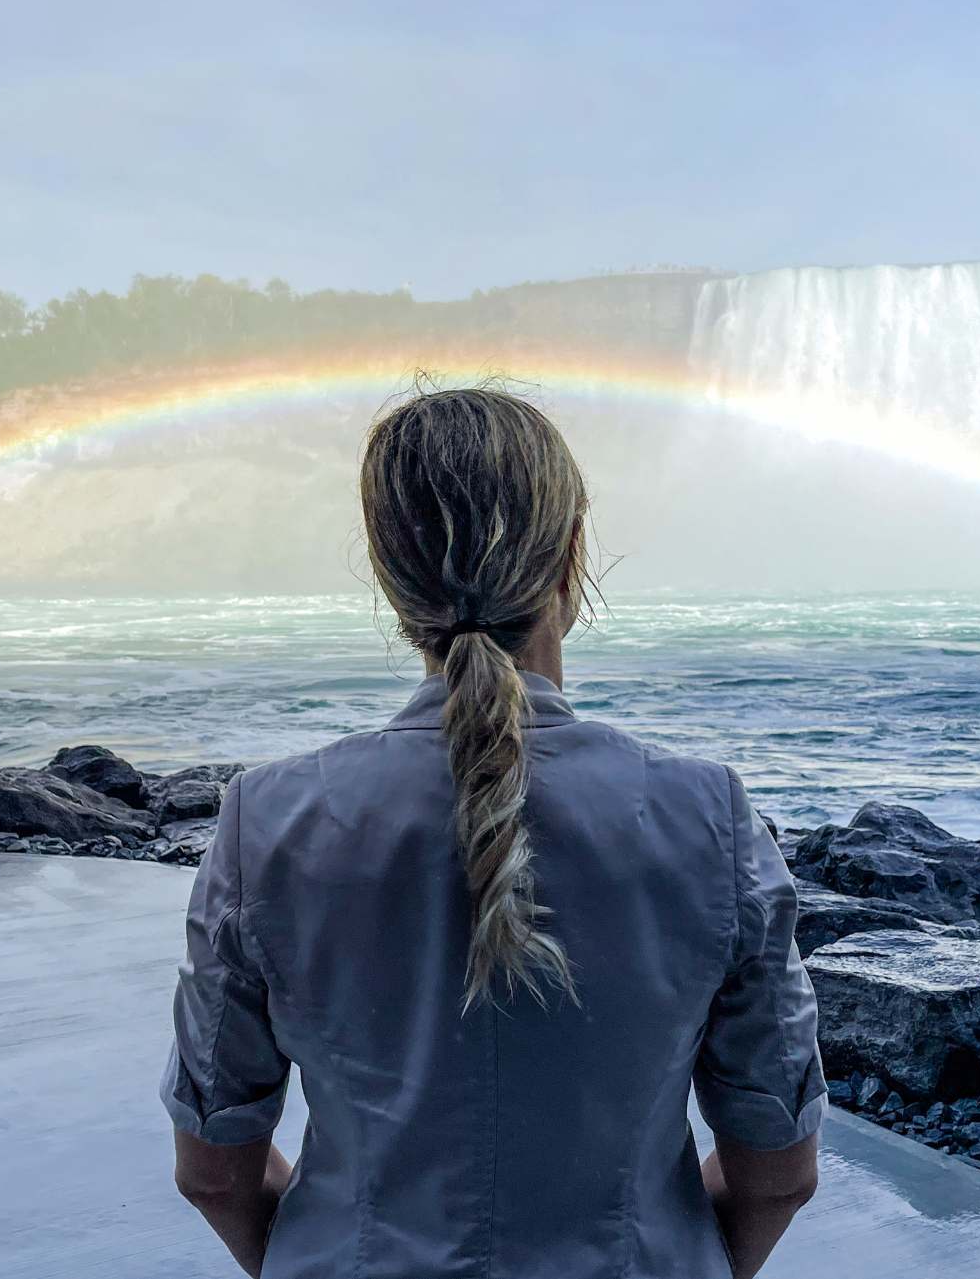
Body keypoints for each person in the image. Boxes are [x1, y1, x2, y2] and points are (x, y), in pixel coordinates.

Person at [165, 387, 826, 1279]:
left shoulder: (266, 823)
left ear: (391, 579)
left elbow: (214, 1173)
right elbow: (777, 1175)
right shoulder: (709, 818)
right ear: (571, 563)